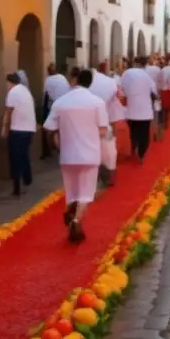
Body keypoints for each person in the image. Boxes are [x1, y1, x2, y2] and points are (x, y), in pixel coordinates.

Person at [44, 69, 109, 243]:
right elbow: (103, 130)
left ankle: (70, 207)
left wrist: (59, 145)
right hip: (89, 154)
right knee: (86, 193)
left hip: (68, 155)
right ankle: (76, 220)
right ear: (90, 83)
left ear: (74, 80)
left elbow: (49, 128)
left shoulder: (61, 102)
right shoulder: (97, 102)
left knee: (72, 191)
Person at [2, 72, 36, 196]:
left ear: (10, 82)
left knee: (15, 159)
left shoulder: (13, 92)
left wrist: (5, 129)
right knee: (24, 155)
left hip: (17, 130)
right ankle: (27, 178)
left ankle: (17, 188)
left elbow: (8, 112)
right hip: (29, 129)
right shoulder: (26, 91)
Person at [87, 66, 122, 185]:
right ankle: (107, 177)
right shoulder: (111, 83)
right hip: (105, 124)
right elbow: (114, 110)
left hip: (87, 126)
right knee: (108, 154)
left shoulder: (84, 88)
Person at [121, 57, 159, 162]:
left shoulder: (126, 73)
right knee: (144, 133)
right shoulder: (147, 76)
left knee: (133, 132)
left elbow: (121, 88)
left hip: (131, 110)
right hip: (145, 111)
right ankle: (141, 154)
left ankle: (134, 147)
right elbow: (154, 92)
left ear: (135, 63)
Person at [41, 63, 71, 160]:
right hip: (65, 105)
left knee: (48, 129)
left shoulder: (48, 80)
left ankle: (48, 150)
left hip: (54, 106)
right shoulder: (62, 78)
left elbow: (46, 95)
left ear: (48, 71)